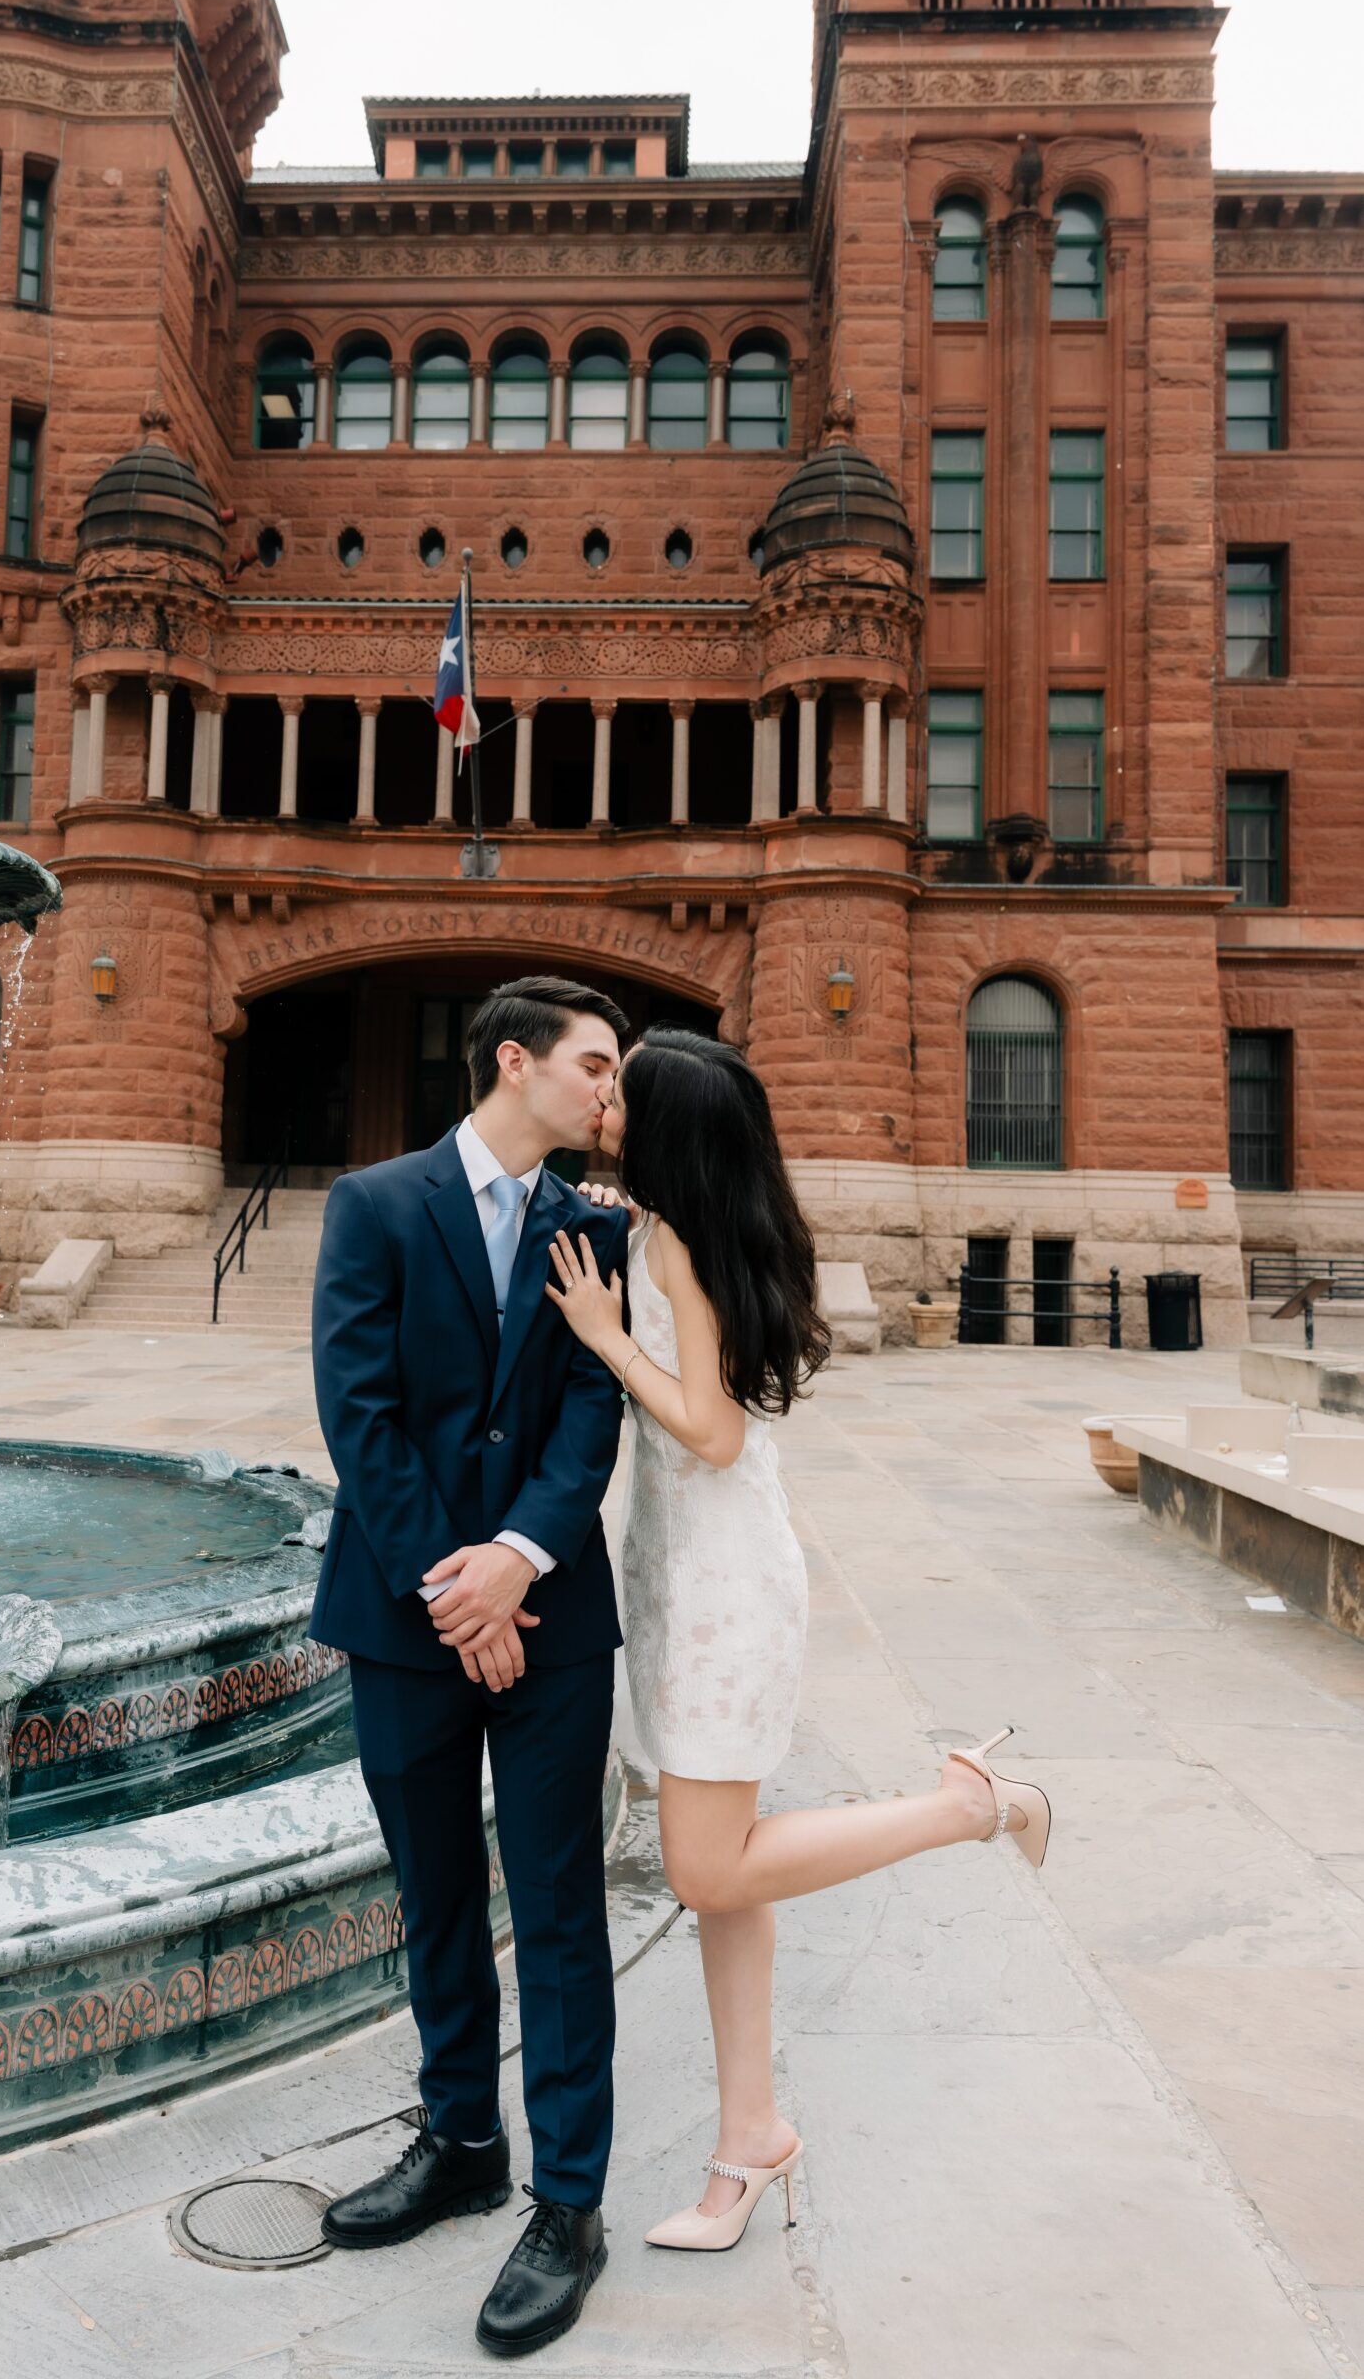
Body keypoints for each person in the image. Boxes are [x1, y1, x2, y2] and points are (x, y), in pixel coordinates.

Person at [545, 1026, 1054, 2253]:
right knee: (733, 1881)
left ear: (665, 1127)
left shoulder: (672, 1245)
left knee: (708, 1870)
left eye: (626, 1091)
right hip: (683, 1574)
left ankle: (973, 1805)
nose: (606, 1102)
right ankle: (751, 2136)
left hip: (721, 1589)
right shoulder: (683, 1224)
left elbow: (712, 1433)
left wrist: (605, 1335)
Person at [309, 976, 632, 2359]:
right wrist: (457, 1586)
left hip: (549, 1616)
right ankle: (458, 2141)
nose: (610, 1097)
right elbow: (357, 1414)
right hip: (404, 1616)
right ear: (516, 1062)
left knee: (556, 1907)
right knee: (434, 1890)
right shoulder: (372, 1207)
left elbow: (590, 1410)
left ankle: (566, 2201)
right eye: (595, 1069)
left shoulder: (592, 1228)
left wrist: (518, 1557)